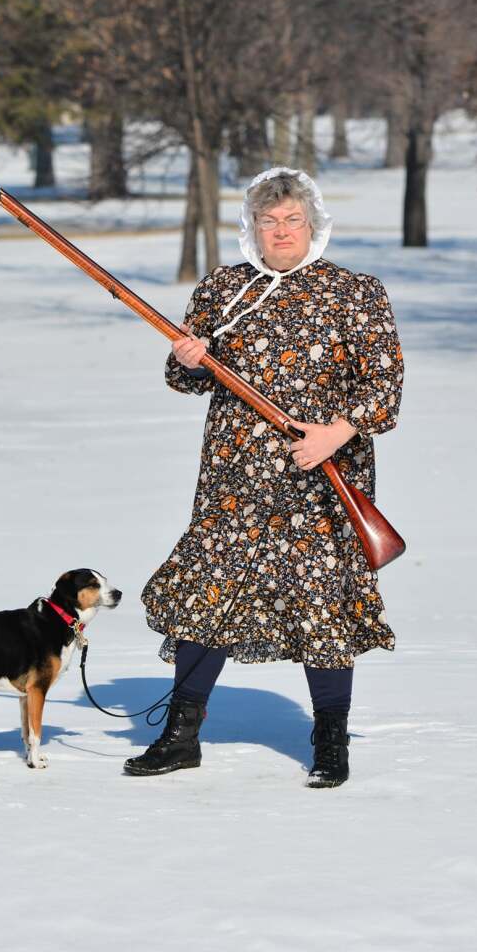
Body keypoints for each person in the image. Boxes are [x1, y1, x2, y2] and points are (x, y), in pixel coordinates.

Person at [125, 167, 403, 787]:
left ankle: (331, 738)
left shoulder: (355, 291)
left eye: (292, 220)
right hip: (235, 476)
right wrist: (190, 361)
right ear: (251, 227)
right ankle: (180, 734)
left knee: (323, 604)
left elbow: (385, 388)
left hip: (322, 478)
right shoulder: (223, 291)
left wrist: (336, 431)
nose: (281, 231)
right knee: (211, 594)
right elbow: (183, 379)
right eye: (268, 221)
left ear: (314, 225)